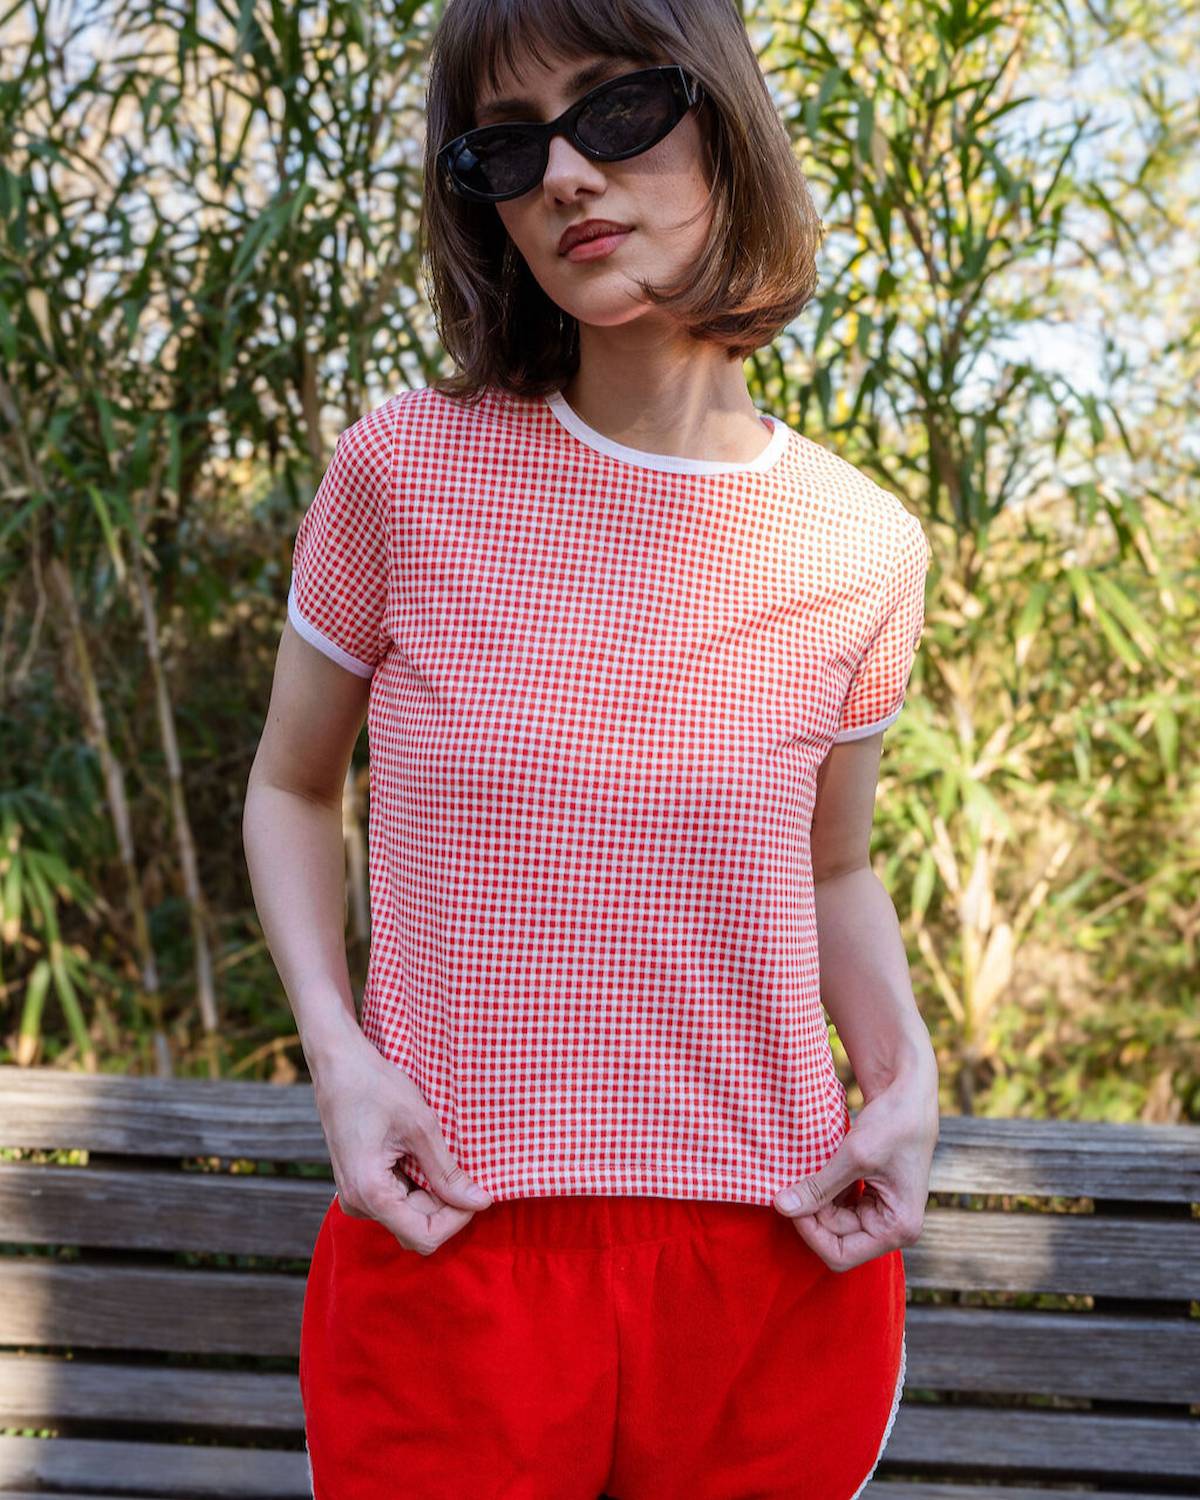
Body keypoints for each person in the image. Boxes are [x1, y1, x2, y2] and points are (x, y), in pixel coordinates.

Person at [242, 1, 939, 1496]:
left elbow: (834, 871)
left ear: (728, 123)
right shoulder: (403, 471)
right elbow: (293, 789)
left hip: (773, 1263)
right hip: (450, 1243)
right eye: (507, 144)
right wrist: (336, 1053)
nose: (564, 173)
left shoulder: (863, 546)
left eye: (615, 111)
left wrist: (906, 1071)